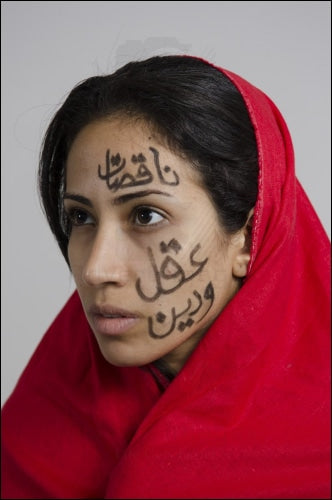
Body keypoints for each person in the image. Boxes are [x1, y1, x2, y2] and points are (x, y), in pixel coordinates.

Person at [1, 55, 330, 499]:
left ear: (250, 235)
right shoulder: (47, 411)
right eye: (80, 216)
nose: (97, 268)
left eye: (146, 215)